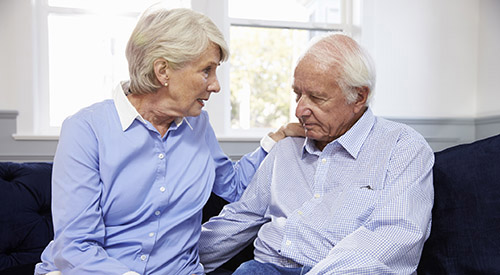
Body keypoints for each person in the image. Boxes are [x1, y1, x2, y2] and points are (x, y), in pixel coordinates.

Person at [34, 7, 303, 275]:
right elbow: (76, 247)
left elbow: (232, 186)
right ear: (163, 71)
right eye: (206, 70)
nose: (216, 85)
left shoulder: (198, 125)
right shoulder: (86, 129)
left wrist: (275, 140)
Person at [199, 33, 434, 275]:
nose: (300, 109)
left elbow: (394, 236)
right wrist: (172, 261)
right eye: (297, 94)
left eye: (316, 97)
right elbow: (240, 219)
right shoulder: (285, 150)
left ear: (359, 96)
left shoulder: (403, 147)